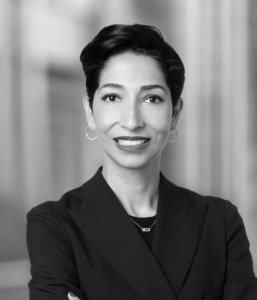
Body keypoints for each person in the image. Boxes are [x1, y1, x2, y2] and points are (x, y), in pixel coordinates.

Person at [26, 24, 257, 300]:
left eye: (151, 98)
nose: (132, 121)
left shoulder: (219, 221)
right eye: (113, 97)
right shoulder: (55, 225)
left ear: (174, 114)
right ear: (90, 112)